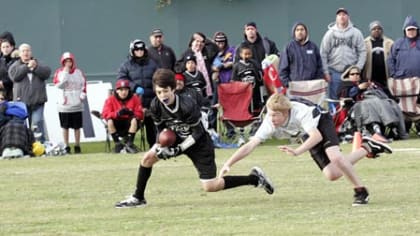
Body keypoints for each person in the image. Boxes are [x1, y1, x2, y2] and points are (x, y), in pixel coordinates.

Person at [114, 69, 274, 208]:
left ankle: (254, 179)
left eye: (165, 91)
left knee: (210, 186)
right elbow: (161, 130)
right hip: (176, 138)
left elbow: (197, 133)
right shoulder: (156, 105)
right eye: (159, 92)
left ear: (174, 89)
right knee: (147, 158)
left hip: (199, 143)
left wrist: (179, 149)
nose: (162, 95)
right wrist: (160, 147)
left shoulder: (187, 104)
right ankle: (138, 197)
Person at [219, 93, 393, 206]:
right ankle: (369, 146)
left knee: (336, 157)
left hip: (321, 124)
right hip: (307, 133)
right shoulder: (270, 120)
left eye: (275, 115)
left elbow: (316, 136)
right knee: (332, 174)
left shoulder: (300, 112)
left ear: (285, 112)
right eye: (269, 114)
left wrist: (297, 151)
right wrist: (229, 163)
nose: (271, 119)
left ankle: (361, 191)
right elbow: (250, 145)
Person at [320, 8, 366, 110]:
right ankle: (335, 123)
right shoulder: (330, 33)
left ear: (348, 17)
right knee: (335, 100)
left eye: (344, 14)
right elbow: (323, 53)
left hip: (350, 73)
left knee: (351, 98)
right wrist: (326, 72)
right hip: (334, 71)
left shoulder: (356, 32)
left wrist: (357, 69)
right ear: (336, 18)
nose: (342, 16)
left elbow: (362, 51)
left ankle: (351, 122)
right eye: (339, 15)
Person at [118, 39, 158, 148]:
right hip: (134, 101)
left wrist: (156, 89)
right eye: (137, 49)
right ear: (132, 51)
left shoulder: (152, 64)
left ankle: (153, 147)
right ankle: (128, 144)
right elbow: (121, 79)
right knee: (133, 121)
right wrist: (134, 87)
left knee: (151, 126)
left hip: (151, 100)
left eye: (141, 49)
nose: (139, 51)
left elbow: (158, 77)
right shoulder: (126, 65)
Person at [8, 43, 51, 143]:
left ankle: (40, 147)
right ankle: (23, 146)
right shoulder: (15, 66)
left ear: (31, 52)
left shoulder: (38, 63)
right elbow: (14, 76)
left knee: (37, 125)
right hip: (21, 103)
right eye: (23, 51)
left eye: (27, 50)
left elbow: (47, 73)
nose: (25, 53)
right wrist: (27, 67)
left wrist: (35, 67)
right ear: (19, 53)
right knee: (22, 126)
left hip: (38, 101)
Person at [387, 15, 420, 135]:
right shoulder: (398, 44)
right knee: (404, 105)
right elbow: (390, 60)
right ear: (405, 31)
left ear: (417, 30)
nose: (411, 32)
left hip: (419, 83)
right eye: (409, 29)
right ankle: (404, 127)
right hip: (403, 83)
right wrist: (394, 74)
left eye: (413, 29)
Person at [52, 52, 87, 154]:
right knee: (65, 126)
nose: (68, 63)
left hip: (76, 103)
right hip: (64, 104)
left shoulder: (79, 72)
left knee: (77, 127)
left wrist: (82, 96)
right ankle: (66, 145)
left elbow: (83, 84)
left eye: (70, 61)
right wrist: (65, 73)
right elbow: (59, 85)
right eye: (66, 61)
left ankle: (77, 145)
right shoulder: (59, 72)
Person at [102, 79, 144, 153]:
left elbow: (140, 114)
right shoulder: (110, 99)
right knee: (109, 121)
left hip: (129, 123)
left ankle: (130, 143)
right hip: (117, 124)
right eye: (121, 90)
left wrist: (132, 113)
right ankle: (117, 144)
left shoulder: (135, 98)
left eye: (126, 90)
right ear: (117, 91)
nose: (124, 92)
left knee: (134, 120)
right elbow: (105, 114)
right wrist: (117, 114)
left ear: (128, 90)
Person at [279, 22, 323, 88]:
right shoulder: (288, 47)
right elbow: (282, 69)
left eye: (302, 29)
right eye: (297, 30)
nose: (300, 32)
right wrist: (287, 84)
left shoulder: (313, 47)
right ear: (294, 32)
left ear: (306, 32)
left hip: (311, 87)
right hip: (294, 87)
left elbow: (319, 66)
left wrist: (316, 82)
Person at [363, 21, 394, 98]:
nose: (376, 30)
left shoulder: (390, 43)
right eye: (374, 29)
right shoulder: (364, 43)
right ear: (370, 31)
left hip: (386, 78)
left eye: (379, 28)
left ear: (382, 30)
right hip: (371, 79)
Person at [231, 45, 263, 115]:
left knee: (255, 108)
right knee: (245, 107)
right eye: (245, 54)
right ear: (241, 55)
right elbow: (233, 80)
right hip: (243, 93)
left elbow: (259, 79)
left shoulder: (254, 64)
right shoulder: (237, 66)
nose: (247, 56)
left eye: (249, 54)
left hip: (254, 92)